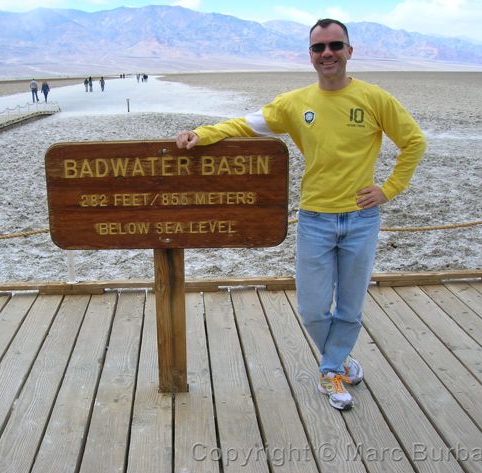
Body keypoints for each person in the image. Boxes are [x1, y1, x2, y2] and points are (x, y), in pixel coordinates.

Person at [176, 18, 426, 411]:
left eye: (335, 46)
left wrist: (388, 189)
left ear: (349, 51)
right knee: (311, 307)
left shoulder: (375, 99)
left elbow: (413, 142)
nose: (327, 54)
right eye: (318, 48)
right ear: (310, 55)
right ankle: (340, 361)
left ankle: (330, 371)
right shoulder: (295, 103)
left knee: (349, 306)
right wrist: (202, 134)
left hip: (361, 220)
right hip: (315, 219)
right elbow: (245, 124)